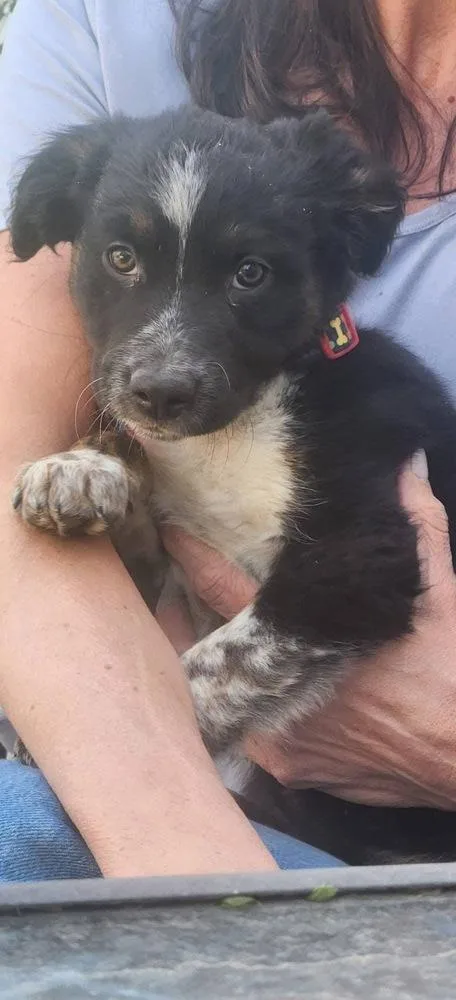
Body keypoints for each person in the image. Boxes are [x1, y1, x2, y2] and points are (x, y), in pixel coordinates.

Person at [0, 0, 455, 882]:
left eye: (248, 274)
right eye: (122, 263)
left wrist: (173, 714)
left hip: (401, 850)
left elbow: (358, 580)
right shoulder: (102, 23)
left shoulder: (342, 407)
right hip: (225, 816)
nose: (163, 359)